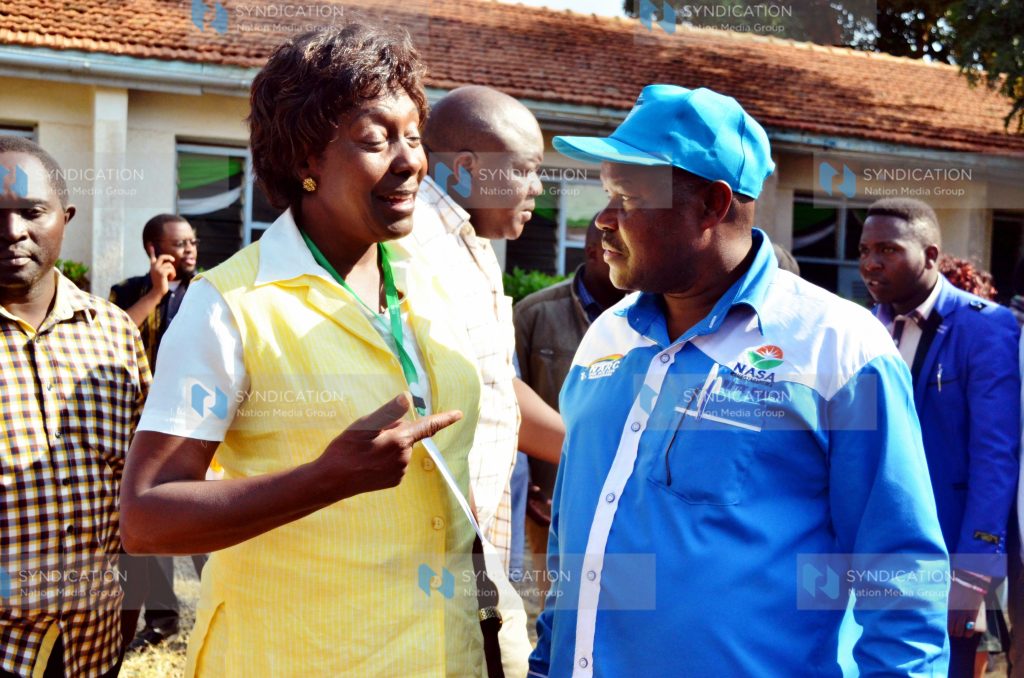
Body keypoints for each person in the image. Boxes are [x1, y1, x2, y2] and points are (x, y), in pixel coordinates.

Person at [119, 25, 526, 676]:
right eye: (375, 139)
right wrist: (324, 479)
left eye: (414, 137)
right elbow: (146, 517)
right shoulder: (230, 306)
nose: (410, 162)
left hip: (443, 653)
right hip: (295, 654)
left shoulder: (439, 281)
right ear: (306, 159)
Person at [529, 85, 949, 677]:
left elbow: (899, 577)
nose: (603, 220)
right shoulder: (609, 340)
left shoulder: (840, 350)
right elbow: (580, 535)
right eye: (605, 195)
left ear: (712, 205)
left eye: (627, 198)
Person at [0, 136, 150, 677]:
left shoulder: (114, 333)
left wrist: (135, 602)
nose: (12, 231)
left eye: (30, 212)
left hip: (97, 640)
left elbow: (140, 483)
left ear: (65, 217)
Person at [859, 197, 1021, 677]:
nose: (870, 262)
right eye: (865, 249)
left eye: (888, 249)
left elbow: (996, 456)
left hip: (946, 550)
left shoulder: (985, 327)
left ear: (930, 255)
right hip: (870, 546)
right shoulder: (862, 327)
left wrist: (972, 576)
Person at [407, 84, 565, 571]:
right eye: (524, 170)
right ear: (469, 169)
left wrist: (596, 453)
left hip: (475, 536)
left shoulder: (466, 241)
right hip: (433, 545)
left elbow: (493, 383)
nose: (537, 187)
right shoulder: (414, 244)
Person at [109, 213, 203, 651]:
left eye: (192, 242)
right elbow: (112, 338)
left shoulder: (208, 292)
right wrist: (156, 293)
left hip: (198, 425)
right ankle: (162, 618)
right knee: (156, 516)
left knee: (205, 517)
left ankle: (223, 600)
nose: (190, 250)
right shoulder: (127, 293)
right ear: (153, 249)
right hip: (143, 427)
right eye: (179, 244)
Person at [513, 218, 625, 565]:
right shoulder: (534, 314)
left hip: (627, 502)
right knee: (556, 605)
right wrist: (525, 481)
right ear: (594, 252)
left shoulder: (653, 317)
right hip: (548, 503)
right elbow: (507, 401)